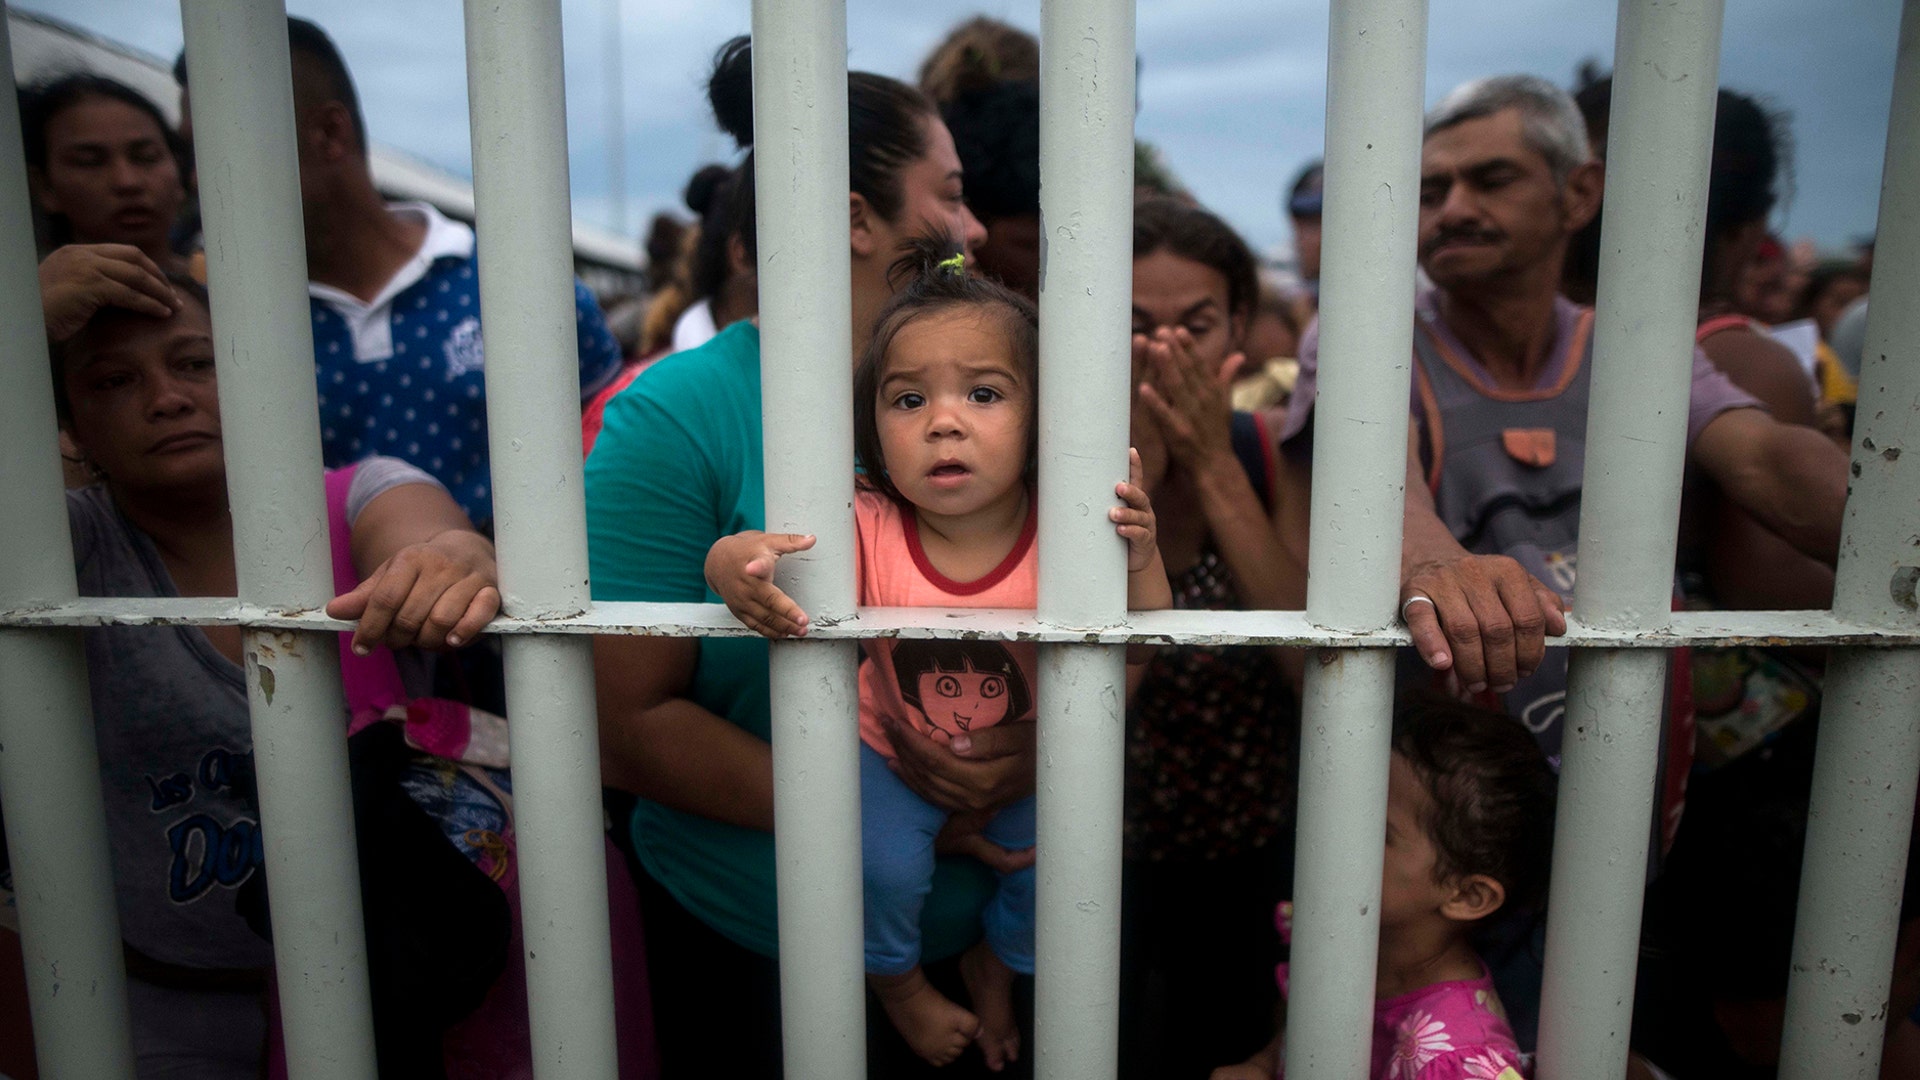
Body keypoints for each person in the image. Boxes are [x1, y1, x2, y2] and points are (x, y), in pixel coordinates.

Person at [585, 35, 995, 1077]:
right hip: (749, 956)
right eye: (948, 195)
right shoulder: (673, 414)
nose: (975, 228)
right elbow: (624, 726)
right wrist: (907, 817)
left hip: (989, 952)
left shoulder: (998, 401)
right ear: (857, 217)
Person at [706, 243, 1171, 1070]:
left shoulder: (1067, 524)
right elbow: (756, 551)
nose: (943, 421)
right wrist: (730, 567)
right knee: (876, 870)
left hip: (1036, 756)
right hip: (890, 750)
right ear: (871, 428)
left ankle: (998, 961)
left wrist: (1139, 556)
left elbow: (1141, 643)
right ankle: (898, 985)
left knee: (1062, 869)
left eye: (984, 394)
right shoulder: (866, 519)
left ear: (1043, 422)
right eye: (907, 399)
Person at [37, 251, 502, 1077]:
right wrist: (17, 324)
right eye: (112, 380)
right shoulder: (57, 549)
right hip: (147, 1009)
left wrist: (450, 560)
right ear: (66, 426)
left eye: (195, 362)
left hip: (387, 999)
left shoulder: (358, 493)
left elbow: (431, 535)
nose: (167, 398)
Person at [174, 17, 625, 526]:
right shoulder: (220, 324)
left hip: (526, 602)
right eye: (188, 152)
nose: (195, 177)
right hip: (322, 608)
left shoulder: (523, 289)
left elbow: (613, 459)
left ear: (328, 133)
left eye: (216, 147)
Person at [1119, 195, 1309, 1077]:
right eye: (1133, 324)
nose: (1164, 350)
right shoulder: (1045, 457)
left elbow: (1315, 663)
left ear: (1242, 323)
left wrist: (1211, 464)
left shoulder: (1273, 451)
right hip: (1092, 848)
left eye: (1195, 323)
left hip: (1250, 854)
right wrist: (1141, 471)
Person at [1213, 697, 1553, 1080]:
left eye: (1378, 831)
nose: (1334, 831)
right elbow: (1294, 1041)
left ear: (1467, 896)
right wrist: (1258, 1068)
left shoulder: (1459, 1060)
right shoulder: (1345, 942)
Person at [23, 74, 189, 273]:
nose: (127, 182)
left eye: (147, 157)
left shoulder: (225, 280)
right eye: (89, 162)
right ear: (45, 188)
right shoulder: (26, 300)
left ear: (178, 172)